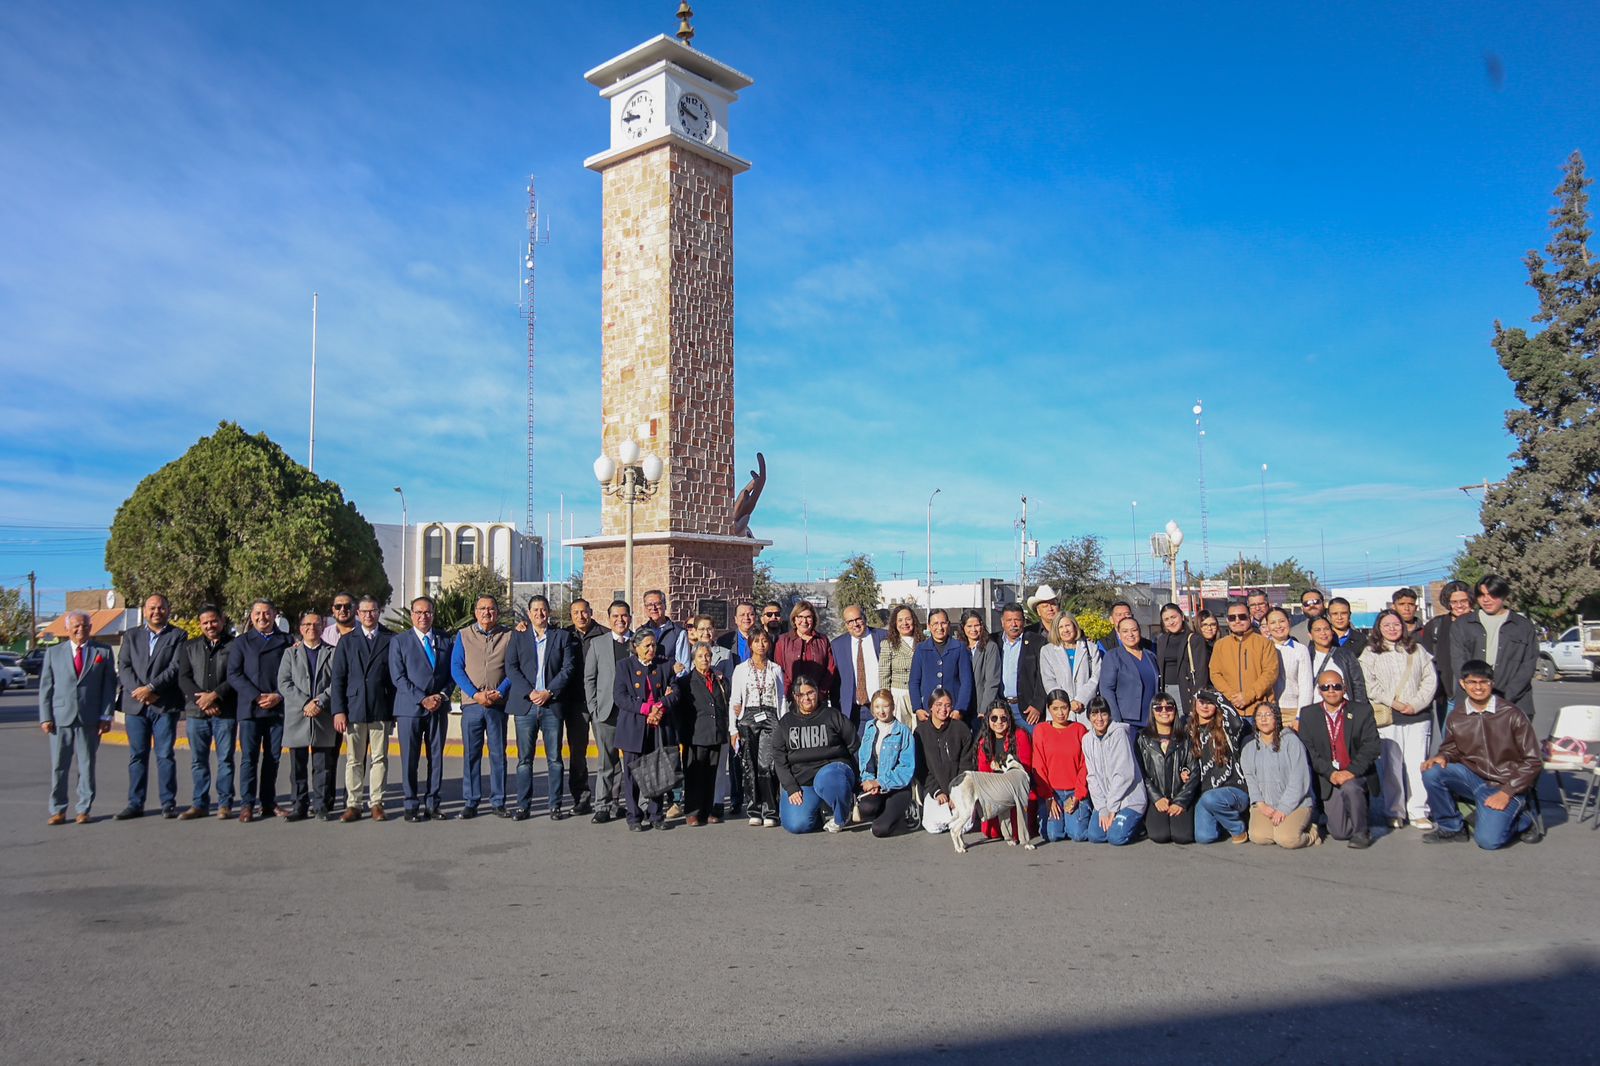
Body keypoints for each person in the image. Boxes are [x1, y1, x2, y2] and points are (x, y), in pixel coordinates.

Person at [1421, 660, 1542, 849]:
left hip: (1506, 783)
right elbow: (1451, 748)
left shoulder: (1512, 714)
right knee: (1432, 771)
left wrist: (1507, 792)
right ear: (1462, 684)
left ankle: (1523, 819)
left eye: (1483, 682)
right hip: (1474, 778)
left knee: (1488, 842)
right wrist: (1443, 756)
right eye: (1472, 682)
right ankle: (1452, 828)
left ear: (1491, 683)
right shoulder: (1457, 716)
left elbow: (1533, 761)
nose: (1478, 687)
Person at [1360, 608, 1438, 830]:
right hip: (1388, 716)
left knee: (1416, 765)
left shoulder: (1417, 650)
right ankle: (1394, 810)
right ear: (1379, 629)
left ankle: (1418, 811)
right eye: (1387, 625)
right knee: (1392, 766)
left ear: (1403, 627)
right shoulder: (1370, 653)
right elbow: (1369, 684)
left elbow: (1429, 680)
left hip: (1417, 716)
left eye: (1396, 624)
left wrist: (1416, 704)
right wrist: (1394, 702)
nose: (1392, 629)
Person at [113, 592, 187, 820]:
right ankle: (135, 803)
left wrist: (153, 688)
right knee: (137, 755)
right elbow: (124, 666)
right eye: (152, 608)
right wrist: (140, 691)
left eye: (161, 607)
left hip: (164, 705)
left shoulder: (178, 635)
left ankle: (168, 803)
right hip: (136, 706)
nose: (156, 611)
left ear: (168, 609)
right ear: (144, 611)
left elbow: (175, 668)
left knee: (165, 755)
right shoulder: (131, 635)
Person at [39, 610, 116, 825]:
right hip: (60, 717)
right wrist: (45, 717)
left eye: (84, 625)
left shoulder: (104, 652)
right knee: (59, 766)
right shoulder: (53, 653)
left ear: (91, 628)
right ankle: (58, 810)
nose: (80, 629)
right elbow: (46, 688)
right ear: (67, 628)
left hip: (90, 717)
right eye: (75, 625)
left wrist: (106, 715)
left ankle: (84, 809)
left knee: (86, 764)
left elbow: (109, 687)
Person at [505, 595, 577, 821]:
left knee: (554, 759)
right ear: (528, 613)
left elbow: (568, 668)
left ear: (549, 612)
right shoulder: (517, 637)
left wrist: (549, 692)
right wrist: (531, 692)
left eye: (543, 609)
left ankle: (555, 805)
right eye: (535, 610)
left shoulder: (562, 637)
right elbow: (511, 668)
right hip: (525, 706)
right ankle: (523, 806)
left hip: (551, 705)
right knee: (524, 760)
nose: (539, 613)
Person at [1297, 669, 1381, 848]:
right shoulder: (1308, 714)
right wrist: (1331, 773)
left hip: (1355, 773)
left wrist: (1351, 771)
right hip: (1329, 776)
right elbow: (1309, 751)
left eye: (1336, 686)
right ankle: (1356, 813)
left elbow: (1372, 746)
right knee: (1339, 833)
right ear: (1319, 691)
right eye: (1325, 687)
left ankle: (1361, 831)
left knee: (1351, 788)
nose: (1331, 690)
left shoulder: (1362, 711)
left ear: (1344, 688)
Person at [329, 596, 394, 822]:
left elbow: (394, 678)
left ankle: (377, 803)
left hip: (380, 707)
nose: (369, 615)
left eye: (373, 611)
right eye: (364, 611)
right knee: (354, 759)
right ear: (358, 614)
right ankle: (354, 804)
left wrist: (393, 712)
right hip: (354, 707)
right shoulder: (347, 641)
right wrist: (338, 710)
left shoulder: (390, 638)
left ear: (379, 612)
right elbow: (337, 679)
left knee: (380, 758)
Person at [449, 595, 514, 819]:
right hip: (472, 704)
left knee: (498, 753)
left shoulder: (508, 635)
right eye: (482, 608)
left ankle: (498, 801)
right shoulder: (464, 635)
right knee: (471, 754)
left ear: (497, 612)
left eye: (491, 609)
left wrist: (500, 691)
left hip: (497, 704)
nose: (487, 613)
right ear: (476, 612)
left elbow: (513, 668)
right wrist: (475, 694)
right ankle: (471, 801)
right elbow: (456, 668)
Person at [389, 596, 453, 822]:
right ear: (411, 615)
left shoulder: (445, 640)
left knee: (436, 757)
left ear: (433, 614)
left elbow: (452, 673)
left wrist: (441, 696)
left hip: (438, 707)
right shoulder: (399, 641)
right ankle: (410, 804)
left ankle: (433, 804)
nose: (423, 616)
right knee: (410, 759)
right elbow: (398, 677)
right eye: (418, 612)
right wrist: (422, 699)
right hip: (410, 709)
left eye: (427, 612)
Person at [227, 599, 291, 823]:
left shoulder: (286, 641)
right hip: (250, 709)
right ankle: (247, 804)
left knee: (273, 758)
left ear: (275, 615)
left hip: (277, 708)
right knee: (249, 758)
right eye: (257, 613)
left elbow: (292, 672)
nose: (262, 617)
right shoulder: (241, 642)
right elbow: (234, 674)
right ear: (251, 616)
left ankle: (268, 802)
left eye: (266, 613)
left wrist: (278, 695)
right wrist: (256, 696)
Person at [1447, 574, 1539, 727]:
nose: (1486, 599)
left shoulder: (1523, 626)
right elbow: (1458, 660)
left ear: (1503, 595)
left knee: (1510, 750)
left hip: (1513, 703)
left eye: (1492, 594)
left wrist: (1505, 697)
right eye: (1482, 595)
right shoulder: (1462, 625)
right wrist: (1477, 691)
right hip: (1472, 703)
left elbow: (1528, 665)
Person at [771, 677, 858, 834]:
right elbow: (778, 757)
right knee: (796, 825)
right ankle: (820, 811)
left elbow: (854, 743)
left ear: (817, 692)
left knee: (829, 778)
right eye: (801, 694)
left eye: (810, 692)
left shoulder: (832, 715)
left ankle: (841, 814)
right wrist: (791, 787)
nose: (806, 698)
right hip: (803, 780)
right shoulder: (786, 722)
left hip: (832, 770)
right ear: (795, 696)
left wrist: (858, 779)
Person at [613, 631, 678, 831]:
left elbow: (675, 691)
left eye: (653, 645)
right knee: (632, 773)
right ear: (636, 646)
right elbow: (620, 696)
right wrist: (647, 709)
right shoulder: (625, 666)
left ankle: (656, 814)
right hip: (634, 725)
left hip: (658, 725)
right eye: (647, 646)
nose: (651, 649)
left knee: (656, 770)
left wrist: (660, 706)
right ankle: (634, 817)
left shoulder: (664, 665)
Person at [277, 611, 339, 821]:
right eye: (307, 625)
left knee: (323, 765)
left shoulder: (332, 652)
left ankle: (321, 806)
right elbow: (284, 683)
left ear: (323, 627)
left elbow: (337, 682)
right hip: (298, 715)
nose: (311, 628)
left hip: (323, 714)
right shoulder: (290, 654)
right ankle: (299, 806)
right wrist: (305, 702)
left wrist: (320, 701)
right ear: (300, 628)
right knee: (298, 767)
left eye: (316, 624)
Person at [177, 605, 236, 819]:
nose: (210, 626)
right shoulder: (189, 647)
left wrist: (215, 695)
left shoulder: (234, 645)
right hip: (196, 714)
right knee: (198, 760)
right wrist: (203, 700)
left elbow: (236, 675)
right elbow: (183, 677)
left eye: (213, 621)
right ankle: (199, 804)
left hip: (225, 711)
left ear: (221, 620)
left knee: (225, 760)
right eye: (205, 622)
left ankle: (224, 804)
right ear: (200, 624)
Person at [1239, 702, 1318, 848]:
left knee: (1287, 839)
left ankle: (1312, 833)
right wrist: (1261, 805)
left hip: (1295, 804)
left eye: (1268, 715)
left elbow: (1299, 779)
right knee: (1258, 836)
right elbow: (1250, 780)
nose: (1263, 719)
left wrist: (1283, 808)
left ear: (1277, 718)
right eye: (1259, 716)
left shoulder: (1291, 741)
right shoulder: (1249, 749)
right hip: (1266, 805)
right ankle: (1280, 828)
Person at [582, 600, 633, 824]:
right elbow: (589, 678)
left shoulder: (638, 642)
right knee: (607, 762)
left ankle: (628, 803)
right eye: (615, 616)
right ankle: (603, 805)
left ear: (630, 617)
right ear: (609, 618)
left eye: (624, 616)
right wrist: (593, 708)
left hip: (632, 713)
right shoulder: (598, 644)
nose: (620, 620)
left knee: (632, 762)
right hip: (606, 713)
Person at [729, 627, 785, 827]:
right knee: (749, 765)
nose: (761, 645)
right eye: (756, 641)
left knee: (766, 765)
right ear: (750, 644)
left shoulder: (775, 669)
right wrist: (733, 729)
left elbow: (782, 697)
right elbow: (734, 700)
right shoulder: (741, 669)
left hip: (770, 715)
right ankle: (753, 809)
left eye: (764, 641)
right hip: (749, 716)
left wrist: (782, 721)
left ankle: (771, 809)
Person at [673, 642, 730, 826]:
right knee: (694, 774)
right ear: (694, 659)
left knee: (711, 773)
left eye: (707, 656)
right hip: (695, 735)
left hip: (715, 732)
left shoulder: (719, 680)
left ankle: (707, 810)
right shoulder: (685, 682)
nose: (705, 659)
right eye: (700, 656)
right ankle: (692, 811)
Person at [1080, 695, 1145, 845]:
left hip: (1129, 800)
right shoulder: (1087, 740)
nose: (1099, 718)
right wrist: (1102, 808)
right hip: (1106, 801)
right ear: (1089, 717)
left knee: (1116, 838)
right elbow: (1092, 777)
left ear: (1109, 715)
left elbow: (1124, 775)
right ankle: (1117, 823)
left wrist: (1112, 807)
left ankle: (1138, 826)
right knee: (1096, 836)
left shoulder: (1119, 733)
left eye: (1103, 713)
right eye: (1094, 714)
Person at [1189, 690, 1250, 844]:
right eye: (1201, 701)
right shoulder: (1190, 730)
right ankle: (1223, 820)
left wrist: (1214, 695)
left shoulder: (1226, 727)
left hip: (1235, 790)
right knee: (1204, 837)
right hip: (1207, 795)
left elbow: (1237, 721)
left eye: (1210, 702)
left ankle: (1238, 829)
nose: (1205, 706)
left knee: (1211, 799)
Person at [1137, 693, 1197, 845]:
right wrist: (1156, 798)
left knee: (1182, 837)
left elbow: (1194, 771)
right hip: (1156, 798)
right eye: (1158, 708)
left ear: (1175, 710)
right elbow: (1140, 772)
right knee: (1160, 835)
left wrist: (1181, 801)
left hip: (1179, 795)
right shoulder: (1142, 738)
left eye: (1169, 707)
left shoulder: (1185, 738)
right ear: (1152, 711)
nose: (1164, 711)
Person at [562, 598, 604, 816]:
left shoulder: (604, 634)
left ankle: (609, 799)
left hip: (600, 703)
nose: (580, 616)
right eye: (576, 613)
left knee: (607, 752)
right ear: (571, 615)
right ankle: (581, 798)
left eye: (584, 612)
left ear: (591, 612)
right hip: (575, 704)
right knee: (577, 753)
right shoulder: (564, 635)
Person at [913, 688, 976, 834]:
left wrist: (956, 793)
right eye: (939, 705)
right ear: (931, 707)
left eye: (947, 705)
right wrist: (937, 791)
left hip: (959, 789)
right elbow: (921, 768)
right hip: (936, 790)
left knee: (964, 827)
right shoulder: (920, 733)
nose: (943, 709)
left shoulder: (961, 729)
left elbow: (967, 764)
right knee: (933, 827)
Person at [856, 689, 916, 837]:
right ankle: (884, 810)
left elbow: (906, 770)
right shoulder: (869, 727)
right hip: (876, 785)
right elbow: (864, 759)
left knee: (879, 830)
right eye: (877, 707)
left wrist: (879, 782)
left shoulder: (903, 732)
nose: (881, 711)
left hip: (898, 787)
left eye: (885, 706)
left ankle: (902, 810)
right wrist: (868, 780)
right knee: (866, 808)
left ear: (893, 707)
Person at [1032, 691, 1090, 843]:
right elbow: (1039, 766)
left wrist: (1077, 795)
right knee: (1053, 835)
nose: (1060, 713)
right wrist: (1048, 797)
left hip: (1074, 792)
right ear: (1048, 709)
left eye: (1064, 708)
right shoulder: (1041, 730)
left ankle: (1081, 814)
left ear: (1069, 708)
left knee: (1077, 835)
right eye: (1055, 708)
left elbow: (1085, 765)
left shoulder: (1080, 729)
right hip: (1052, 793)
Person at [1207, 600, 1280, 718]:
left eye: (1242, 617)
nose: (1237, 621)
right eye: (1232, 618)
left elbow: (1270, 673)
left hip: (1260, 710)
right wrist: (1232, 697)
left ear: (1250, 618)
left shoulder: (1265, 643)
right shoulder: (1220, 645)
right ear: (1227, 621)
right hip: (1230, 709)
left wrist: (1248, 696)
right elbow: (1215, 674)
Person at [975, 697, 1034, 841]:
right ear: (988, 720)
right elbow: (983, 774)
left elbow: (1025, 769)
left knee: (1017, 833)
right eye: (994, 718)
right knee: (992, 833)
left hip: (1017, 791)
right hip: (995, 792)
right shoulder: (984, 742)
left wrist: (1000, 767)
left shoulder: (1020, 735)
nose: (999, 722)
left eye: (1003, 718)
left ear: (1009, 718)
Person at [1419, 580, 1472, 729]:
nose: (1459, 606)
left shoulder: (1480, 623)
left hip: (1479, 695)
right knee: (1450, 745)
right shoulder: (1436, 626)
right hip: (1448, 697)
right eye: (1454, 602)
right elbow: (1426, 662)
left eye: (1463, 601)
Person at [993, 603, 1049, 734]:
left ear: (1023, 621)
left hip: (1028, 710)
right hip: (1002, 709)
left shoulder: (1037, 642)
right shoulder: (994, 641)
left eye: (1017, 620)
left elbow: (1044, 676)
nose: (1013, 624)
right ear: (1002, 622)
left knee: (1031, 749)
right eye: (1009, 620)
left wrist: (1037, 705)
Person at [911, 608, 974, 724]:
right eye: (935, 624)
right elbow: (914, 681)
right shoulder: (921, 649)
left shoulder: (959, 648)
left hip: (952, 711)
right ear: (929, 626)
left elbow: (966, 682)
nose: (939, 628)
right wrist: (917, 708)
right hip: (928, 712)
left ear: (949, 625)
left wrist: (960, 709)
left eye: (943, 623)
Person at [1100, 615, 1159, 729]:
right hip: (1127, 721)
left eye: (1134, 630)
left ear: (1140, 632)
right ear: (1119, 634)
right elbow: (1106, 689)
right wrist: (1116, 720)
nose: (1130, 634)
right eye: (1125, 631)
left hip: (1152, 720)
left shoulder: (1150, 655)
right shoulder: (1113, 656)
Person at [1039, 613, 1101, 722]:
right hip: (1060, 712)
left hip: (1086, 710)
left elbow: (1096, 676)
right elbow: (1049, 680)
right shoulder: (1047, 651)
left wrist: (1080, 699)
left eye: (1068, 625)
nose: (1065, 630)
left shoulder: (1091, 648)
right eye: (1060, 627)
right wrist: (1066, 703)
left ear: (1075, 626)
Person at [832, 605, 886, 729]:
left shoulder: (883, 637)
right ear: (846, 624)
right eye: (850, 621)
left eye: (858, 619)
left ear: (864, 618)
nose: (855, 624)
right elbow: (835, 682)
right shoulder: (837, 645)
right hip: (853, 711)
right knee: (857, 747)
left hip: (881, 706)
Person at [1153, 603, 1207, 716]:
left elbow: (1201, 673)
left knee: (1185, 726)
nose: (1171, 622)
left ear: (1182, 617)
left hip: (1186, 690)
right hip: (1166, 690)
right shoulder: (1162, 640)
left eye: (1173, 617)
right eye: (1166, 619)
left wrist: (1196, 697)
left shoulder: (1194, 639)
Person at [1264, 607, 1313, 729]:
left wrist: (1300, 716)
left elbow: (1306, 686)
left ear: (1289, 622)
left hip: (1292, 711)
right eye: (1273, 623)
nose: (1278, 626)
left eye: (1282, 621)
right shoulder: (1263, 648)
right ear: (1267, 627)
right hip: (1268, 710)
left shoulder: (1300, 649)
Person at [775, 601, 837, 696]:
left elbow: (830, 668)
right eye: (800, 617)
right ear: (794, 619)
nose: (804, 621)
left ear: (813, 619)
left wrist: (820, 692)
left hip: (817, 697)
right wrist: (789, 691)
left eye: (808, 617)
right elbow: (779, 669)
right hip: (791, 697)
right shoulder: (783, 640)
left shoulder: (823, 640)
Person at [1307, 615, 1369, 703]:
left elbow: (1358, 685)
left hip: (1344, 709)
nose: (1323, 633)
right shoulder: (1306, 655)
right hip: (1316, 710)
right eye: (1317, 630)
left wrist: (1358, 710)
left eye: (1326, 629)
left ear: (1332, 632)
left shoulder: (1346, 655)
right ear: (1310, 635)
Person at [877, 604, 920, 728]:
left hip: (919, 694)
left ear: (914, 621)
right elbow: (884, 674)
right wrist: (885, 699)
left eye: (908, 619)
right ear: (895, 624)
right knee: (900, 731)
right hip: (898, 695)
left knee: (920, 732)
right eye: (900, 620)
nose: (904, 623)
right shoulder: (888, 644)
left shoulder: (924, 643)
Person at [961, 610, 1003, 716]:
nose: (973, 630)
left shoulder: (990, 647)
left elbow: (992, 682)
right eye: (969, 626)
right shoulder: (959, 647)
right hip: (962, 707)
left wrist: (984, 710)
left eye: (976, 625)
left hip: (980, 706)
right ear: (963, 628)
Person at [639, 589, 691, 673]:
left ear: (665, 606)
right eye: (649, 605)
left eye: (658, 603)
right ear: (645, 608)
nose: (654, 608)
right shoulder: (640, 632)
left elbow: (683, 668)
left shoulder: (678, 633)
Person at [717, 600, 759, 664]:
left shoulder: (765, 639)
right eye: (742, 615)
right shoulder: (723, 641)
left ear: (755, 618)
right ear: (736, 619)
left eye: (751, 614)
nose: (746, 618)